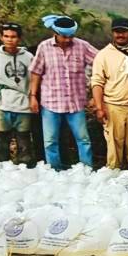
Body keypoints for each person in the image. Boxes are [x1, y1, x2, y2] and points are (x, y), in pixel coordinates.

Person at [29, 14, 98, 169]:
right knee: (50, 140)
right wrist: (33, 96)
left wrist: (96, 93)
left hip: (76, 102)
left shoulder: (82, 45)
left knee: (83, 139)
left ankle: (86, 168)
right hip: (51, 102)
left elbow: (100, 61)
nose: (68, 40)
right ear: (55, 33)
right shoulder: (44, 47)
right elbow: (36, 72)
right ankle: (54, 169)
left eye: (71, 36)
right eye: (64, 37)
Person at [90, 17, 128, 169]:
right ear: (112, 33)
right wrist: (99, 107)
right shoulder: (103, 55)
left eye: (123, 32)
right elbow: (97, 82)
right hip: (113, 107)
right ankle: (113, 178)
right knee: (113, 147)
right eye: (117, 32)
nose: (120, 35)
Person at [0, 22, 35, 165]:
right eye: (6, 36)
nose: (9, 39)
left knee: (24, 138)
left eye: (13, 37)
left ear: (19, 38)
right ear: (1, 37)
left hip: (23, 104)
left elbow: (33, 79)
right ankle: (2, 164)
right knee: (2, 137)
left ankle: (24, 166)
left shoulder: (28, 57)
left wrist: (30, 96)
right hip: (2, 104)